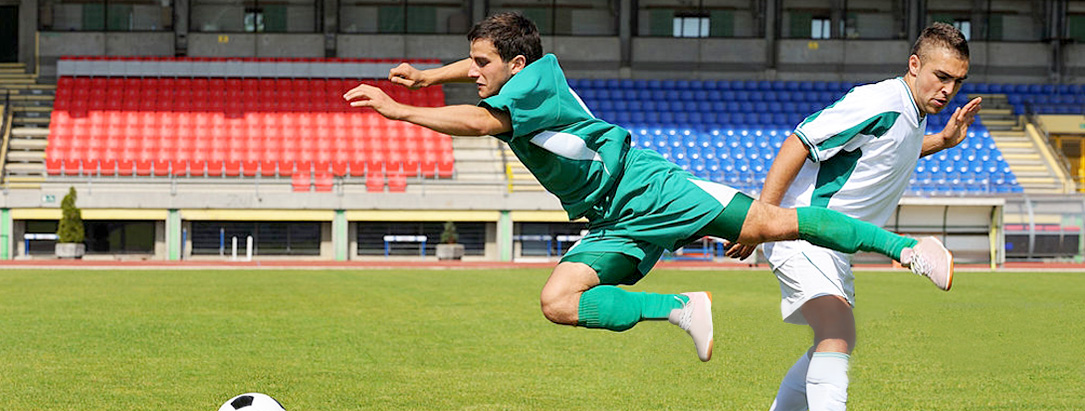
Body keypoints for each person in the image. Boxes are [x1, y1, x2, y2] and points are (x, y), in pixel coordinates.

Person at [343, 12, 954, 365]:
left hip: (648, 187)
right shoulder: (520, 72)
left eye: (480, 64)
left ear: (515, 68)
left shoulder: (526, 92)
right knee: (558, 301)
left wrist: (402, 109)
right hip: (611, 218)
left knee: (774, 223)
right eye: (468, 62)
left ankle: (909, 250)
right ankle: (681, 307)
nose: (472, 72)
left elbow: (480, 120)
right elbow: (484, 73)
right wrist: (429, 76)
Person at [724, 22, 981, 411]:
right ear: (914, 65)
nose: (948, 89)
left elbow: (890, 153)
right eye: (941, 76)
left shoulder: (912, 111)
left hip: (835, 248)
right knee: (836, 333)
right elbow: (800, 141)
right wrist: (760, 219)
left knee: (832, 341)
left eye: (958, 82)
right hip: (805, 233)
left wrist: (943, 141)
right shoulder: (879, 100)